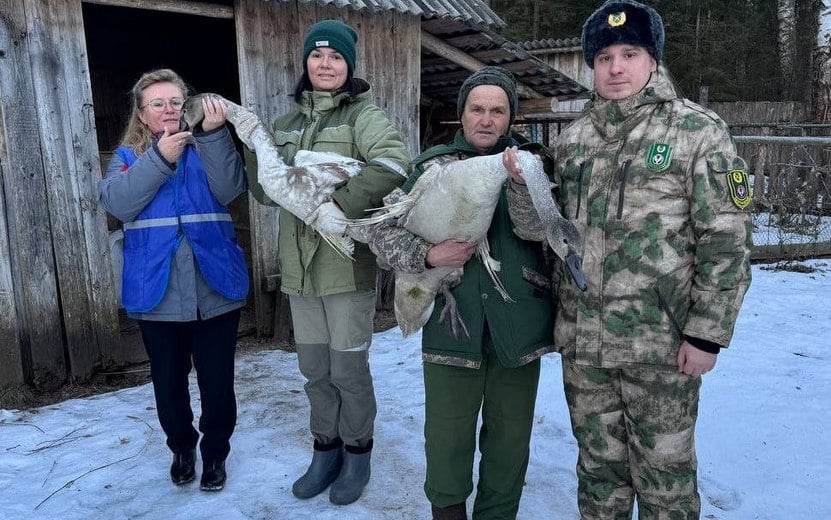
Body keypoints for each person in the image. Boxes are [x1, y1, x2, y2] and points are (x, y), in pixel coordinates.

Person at [539, 1, 753, 517]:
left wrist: (706, 332)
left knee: (664, 481)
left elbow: (727, 238)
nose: (616, 67)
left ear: (652, 60)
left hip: (660, 344)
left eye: (630, 53)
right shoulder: (572, 142)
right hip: (585, 347)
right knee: (598, 474)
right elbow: (559, 237)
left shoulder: (697, 132)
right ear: (591, 65)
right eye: (605, 56)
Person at [368, 66, 556, 520]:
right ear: (463, 114)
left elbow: (540, 232)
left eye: (498, 110)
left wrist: (518, 183)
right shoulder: (431, 167)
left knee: (510, 440)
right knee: (447, 436)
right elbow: (380, 236)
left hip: (519, 326)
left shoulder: (531, 163)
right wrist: (429, 255)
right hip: (452, 325)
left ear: (510, 118)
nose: (486, 119)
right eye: (477, 109)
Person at [246, 20, 410, 506]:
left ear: (348, 65)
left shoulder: (364, 116)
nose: (325, 64)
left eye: (335, 57)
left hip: (345, 268)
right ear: (305, 64)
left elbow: (394, 164)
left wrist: (340, 208)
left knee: (348, 371)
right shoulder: (287, 124)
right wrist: (257, 146)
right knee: (315, 370)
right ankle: (325, 448)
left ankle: (358, 452)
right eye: (317, 57)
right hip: (299, 272)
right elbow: (261, 190)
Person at [98, 69, 249, 492]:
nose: (168, 110)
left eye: (175, 102)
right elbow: (119, 203)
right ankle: (182, 448)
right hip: (157, 292)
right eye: (157, 104)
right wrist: (161, 158)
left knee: (218, 384)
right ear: (142, 115)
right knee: (168, 385)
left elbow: (232, 189)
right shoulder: (127, 158)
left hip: (214, 286)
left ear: (189, 107)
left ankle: (215, 453)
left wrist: (217, 135)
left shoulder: (208, 148)